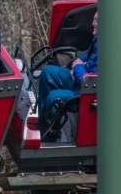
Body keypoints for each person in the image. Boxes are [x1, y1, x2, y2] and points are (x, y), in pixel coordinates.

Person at [36, 11, 98, 141]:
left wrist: (78, 68)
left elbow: (89, 82)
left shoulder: (110, 50)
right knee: (48, 72)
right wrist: (77, 66)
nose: (92, 24)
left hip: (88, 93)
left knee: (55, 97)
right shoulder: (97, 39)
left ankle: (49, 138)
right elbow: (85, 58)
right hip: (81, 78)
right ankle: (42, 123)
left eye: (96, 21)